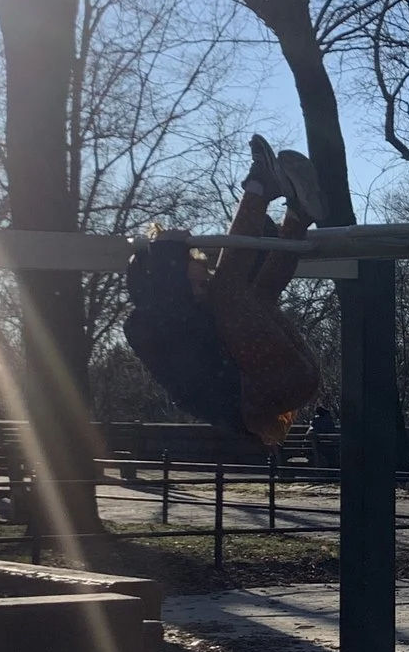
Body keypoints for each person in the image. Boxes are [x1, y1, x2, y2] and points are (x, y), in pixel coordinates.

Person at [126, 137, 327, 449]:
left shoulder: (195, 319)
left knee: (256, 294)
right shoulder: (154, 323)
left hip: (291, 378)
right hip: (269, 387)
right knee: (228, 290)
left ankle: (298, 215)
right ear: (168, 283)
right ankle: (260, 184)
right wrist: (166, 252)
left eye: (202, 283)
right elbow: (168, 307)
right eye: (195, 284)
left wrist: (263, 234)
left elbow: (246, 278)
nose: (202, 291)